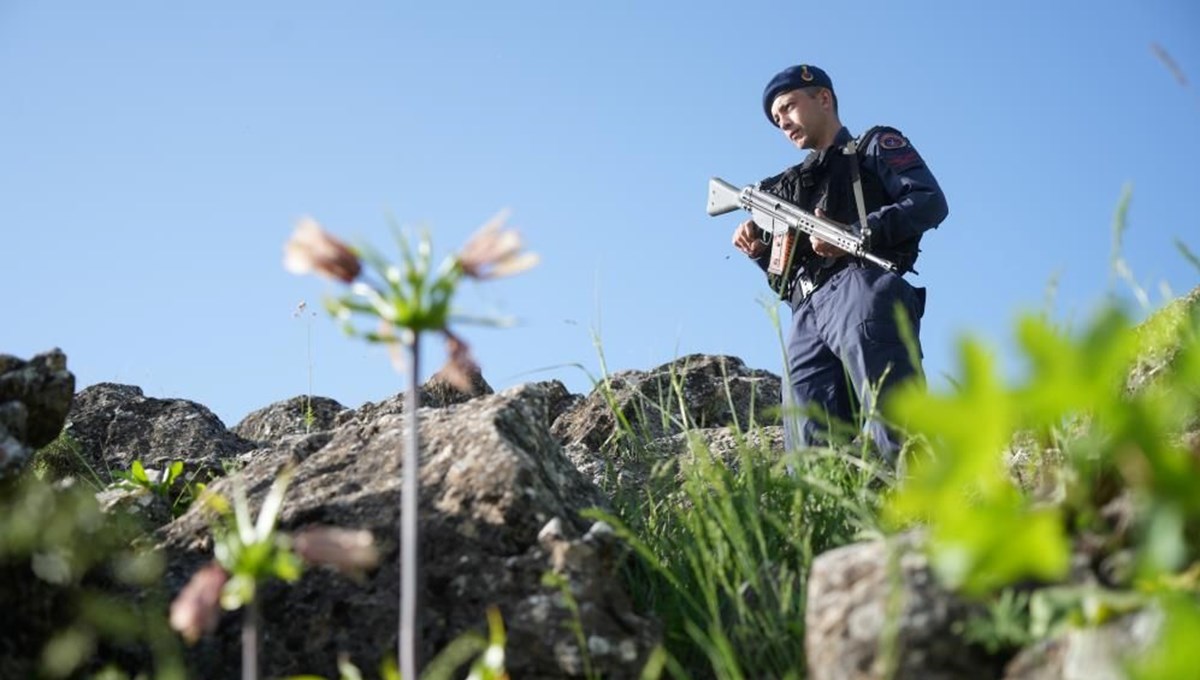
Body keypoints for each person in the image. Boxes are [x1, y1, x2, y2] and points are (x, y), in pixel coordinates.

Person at [731, 64, 948, 460]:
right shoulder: (790, 185)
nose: (784, 123)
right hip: (805, 312)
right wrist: (760, 252)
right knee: (810, 451)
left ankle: (926, 510)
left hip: (861, 286)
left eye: (789, 107)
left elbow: (929, 202)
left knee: (895, 416)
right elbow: (784, 281)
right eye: (777, 120)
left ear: (824, 99)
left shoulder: (873, 147)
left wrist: (857, 233)